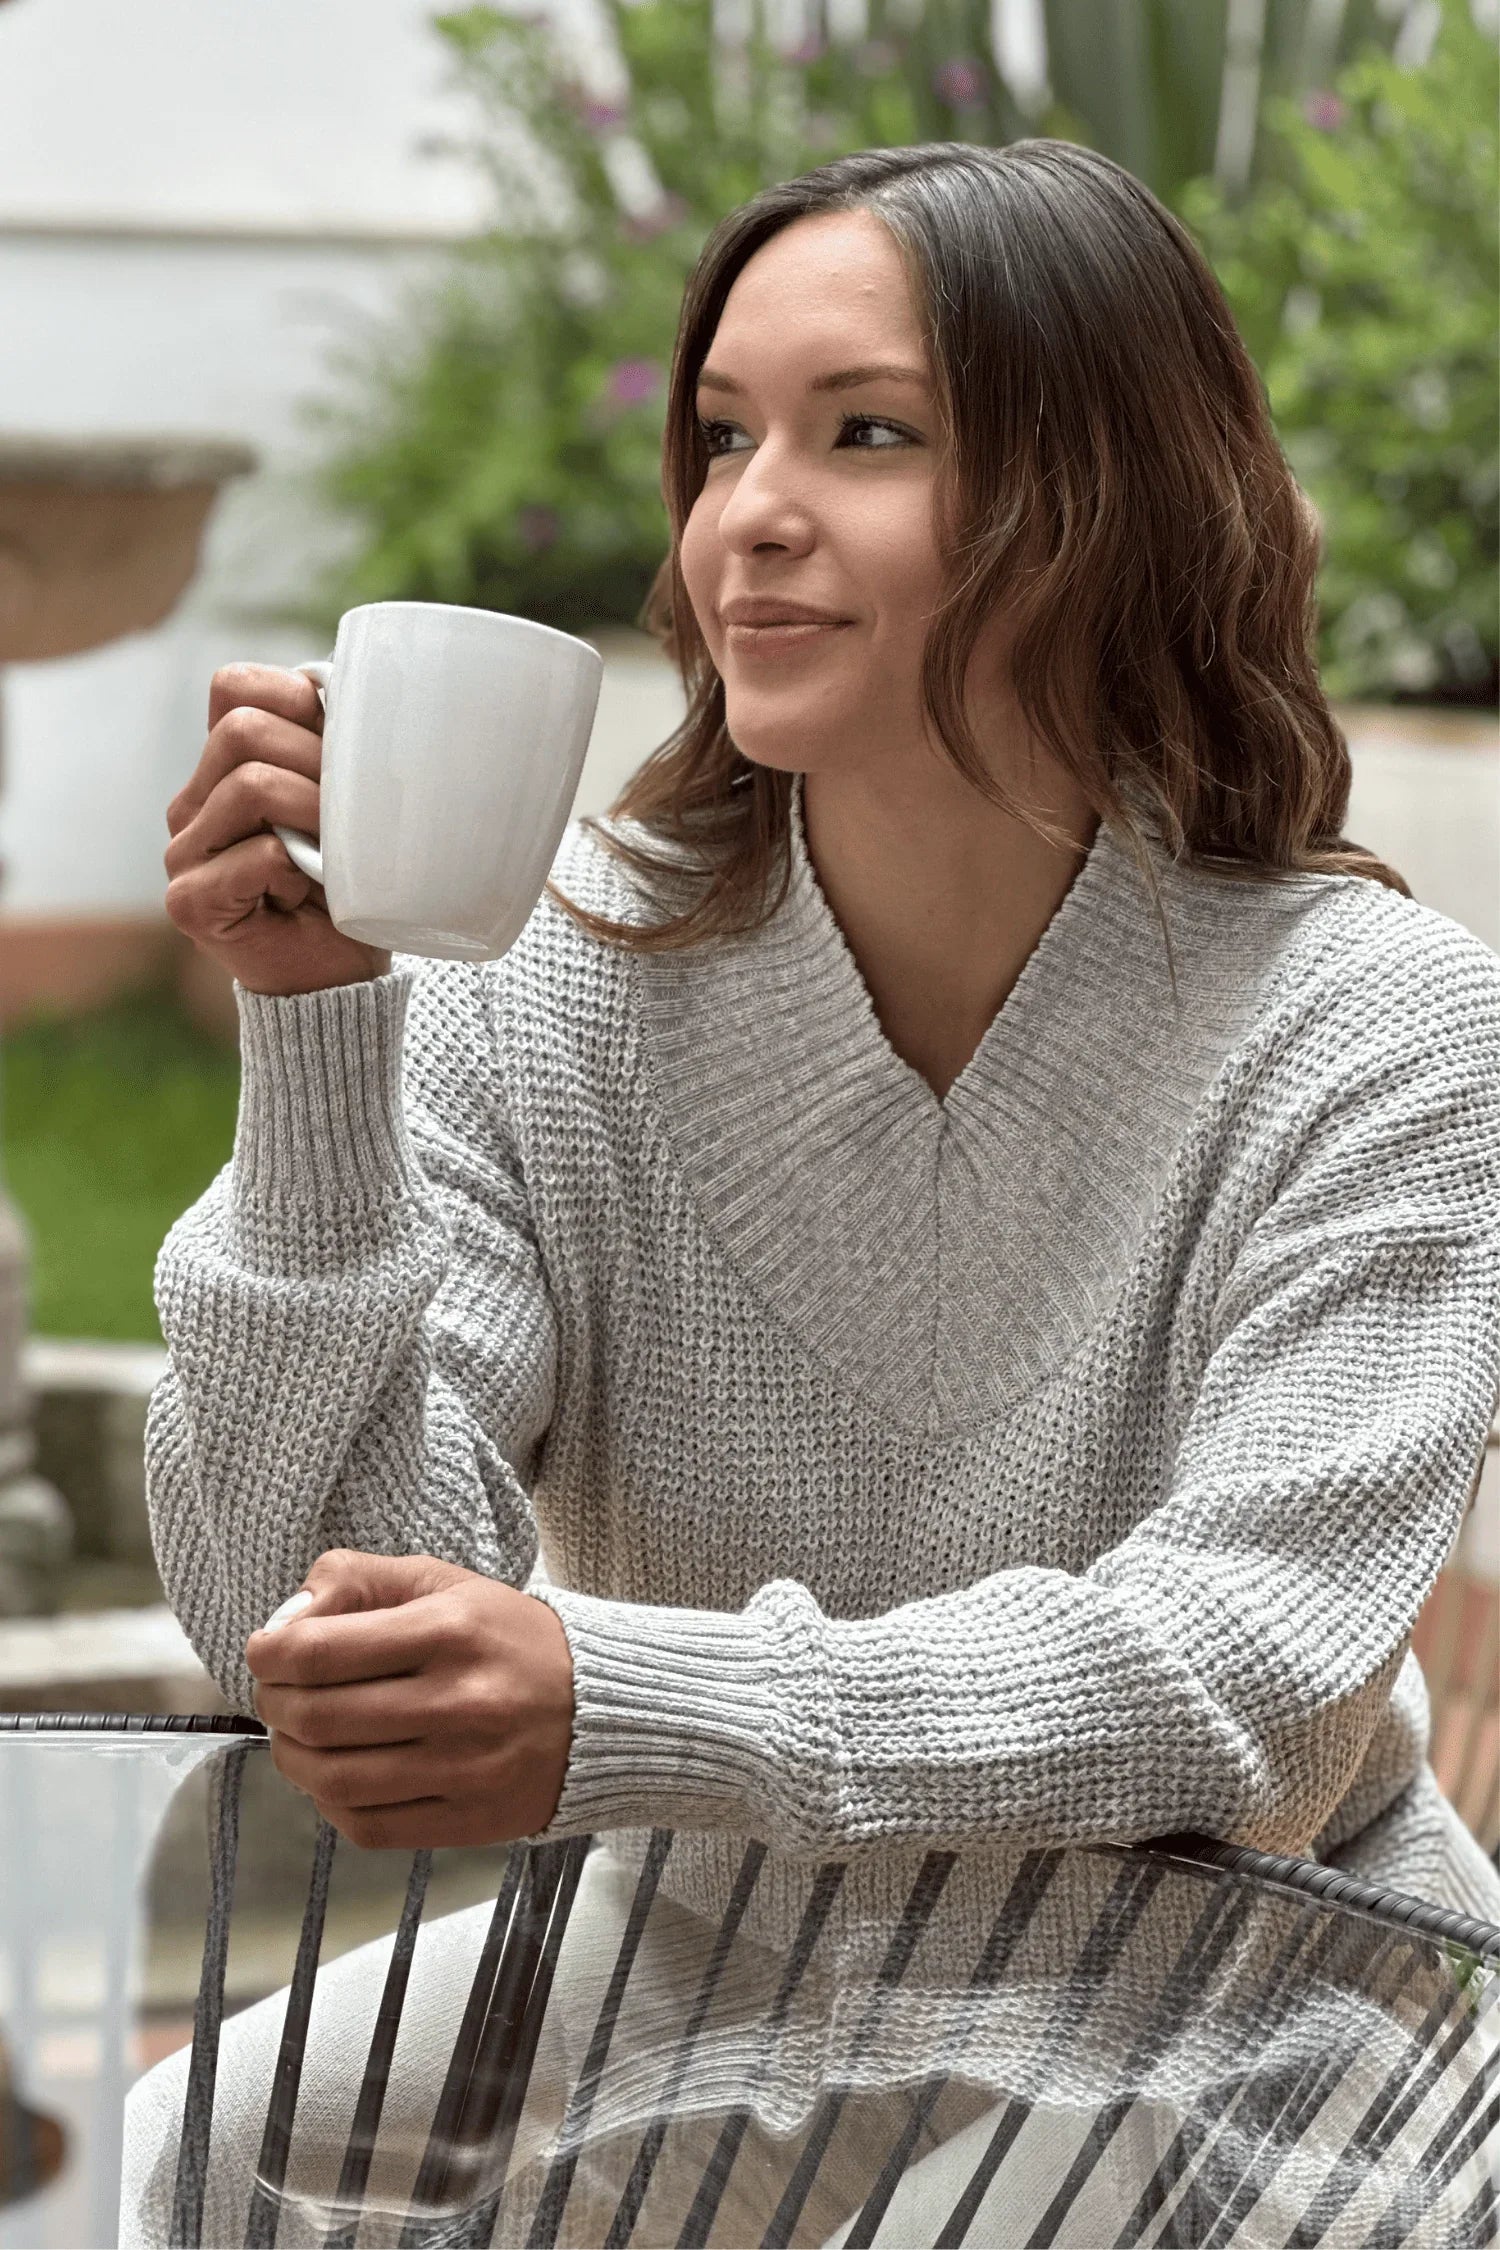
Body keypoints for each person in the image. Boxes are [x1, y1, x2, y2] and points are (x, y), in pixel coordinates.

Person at [127, 139, 1500, 2240]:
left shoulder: (1380, 1028)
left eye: (867, 435)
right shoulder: (551, 988)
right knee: (196, 2160)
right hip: (716, 1956)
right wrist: (318, 1032)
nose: (745, 517)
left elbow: (1247, 1682)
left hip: (1247, 1985)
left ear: (1109, 501)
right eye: (721, 437)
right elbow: (289, 1617)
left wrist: (634, 1703)